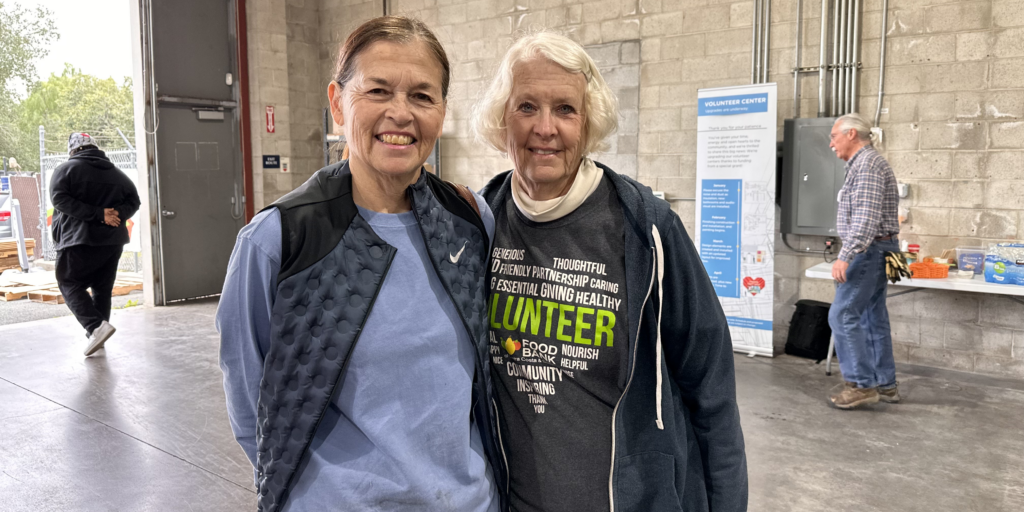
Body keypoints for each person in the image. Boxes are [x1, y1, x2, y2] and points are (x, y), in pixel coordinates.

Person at [217, 16, 503, 512]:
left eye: (422, 95)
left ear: (441, 111)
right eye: (378, 91)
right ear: (337, 103)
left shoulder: (471, 220)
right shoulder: (278, 241)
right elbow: (250, 407)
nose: (401, 113)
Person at [474, 32, 747, 512]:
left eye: (565, 109)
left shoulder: (646, 227)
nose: (545, 128)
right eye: (526, 107)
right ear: (502, 116)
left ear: (589, 120)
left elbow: (711, 386)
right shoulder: (478, 224)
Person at [827, 113, 901, 409]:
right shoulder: (864, 164)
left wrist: (845, 255)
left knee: (842, 315)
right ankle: (885, 384)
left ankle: (861, 384)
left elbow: (866, 219)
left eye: (833, 136)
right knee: (873, 317)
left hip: (869, 250)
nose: (830, 143)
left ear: (851, 134)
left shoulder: (868, 165)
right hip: (883, 248)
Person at [50, 132, 141, 356]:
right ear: (95, 148)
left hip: (79, 239)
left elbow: (59, 199)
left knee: (69, 282)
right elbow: (134, 201)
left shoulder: (66, 170)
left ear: (73, 150)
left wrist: (97, 215)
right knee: (102, 288)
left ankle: (95, 327)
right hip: (112, 242)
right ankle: (98, 334)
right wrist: (114, 214)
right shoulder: (117, 174)